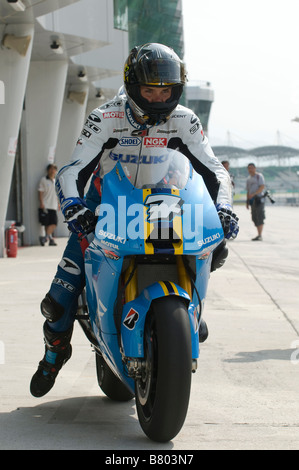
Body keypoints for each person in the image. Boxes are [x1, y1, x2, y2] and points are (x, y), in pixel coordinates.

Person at [30, 43, 239, 397]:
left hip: (167, 204)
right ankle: (55, 352)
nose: (158, 98)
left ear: (177, 89)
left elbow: (214, 171)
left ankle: (188, 316)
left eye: (165, 90)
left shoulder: (186, 120)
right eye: (148, 90)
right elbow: (72, 170)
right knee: (58, 298)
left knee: (214, 252)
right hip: (107, 206)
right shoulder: (105, 117)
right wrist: (75, 208)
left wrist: (224, 209)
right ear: (131, 86)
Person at [38, 164, 59, 246]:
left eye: (54, 169)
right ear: (48, 170)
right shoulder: (44, 180)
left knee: (53, 223)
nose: (52, 171)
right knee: (47, 224)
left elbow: (57, 193)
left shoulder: (56, 180)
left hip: (54, 205)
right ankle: (49, 239)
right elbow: (40, 192)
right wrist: (41, 203)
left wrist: (58, 203)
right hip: (46, 205)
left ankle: (45, 238)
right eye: (51, 169)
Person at [246, 162, 265, 241]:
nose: (250, 170)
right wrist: (247, 201)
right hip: (252, 201)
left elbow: (262, 187)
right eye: (249, 168)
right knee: (254, 217)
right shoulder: (248, 179)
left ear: (255, 168)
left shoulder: (259, 176)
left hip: (259, 199)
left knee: (259, 216)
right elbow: (248, 190)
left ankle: (260, 235)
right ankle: (258, 234)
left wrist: (254, 194)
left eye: (252, 168)